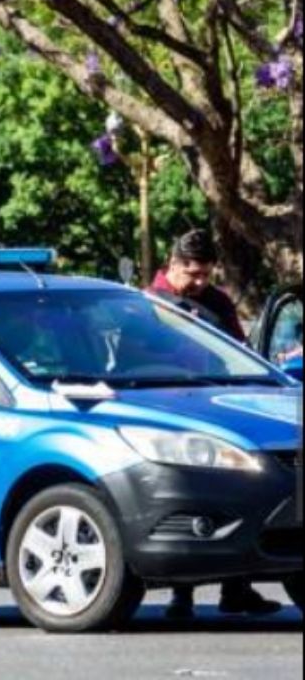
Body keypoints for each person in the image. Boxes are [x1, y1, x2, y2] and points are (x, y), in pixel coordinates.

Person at [149, 230, 282, 620]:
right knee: (188, 496)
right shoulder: (145, 303)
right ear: (172, 265)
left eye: (206, 274)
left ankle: (237, 589)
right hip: (167, 407)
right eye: (192, 274)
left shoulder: (216, 302)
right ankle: (181, 598)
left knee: (240, 495)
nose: (200, 282)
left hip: (219, 406)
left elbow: (240, 352)